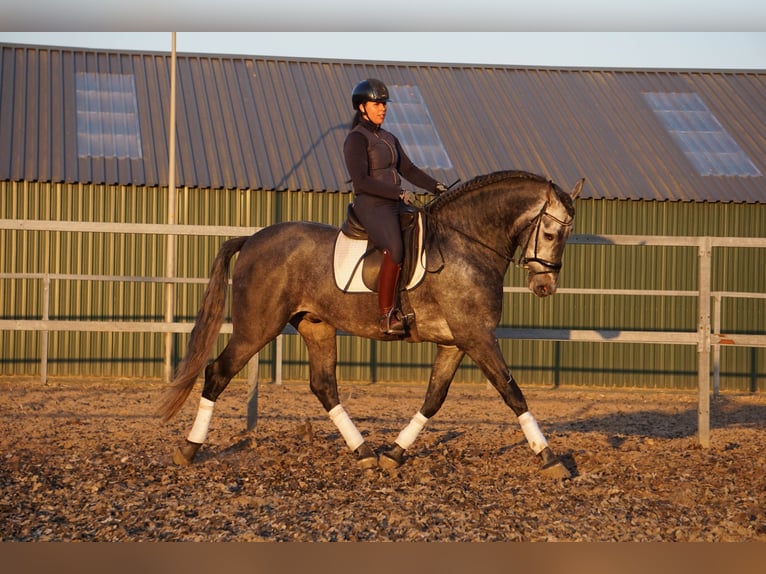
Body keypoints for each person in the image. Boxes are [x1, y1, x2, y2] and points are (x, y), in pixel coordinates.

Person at [343, 78, 448, 336]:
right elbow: (361, 181)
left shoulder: (389, 138)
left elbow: (409, 169)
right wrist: (398, 192)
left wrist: (436, 186)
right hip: (372, 205)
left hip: (394, 203)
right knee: (395, 248)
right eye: (377, 104)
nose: (383, 108)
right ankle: (386, 315)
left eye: (384, 104)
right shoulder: (356, 139)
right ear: (362, 107)